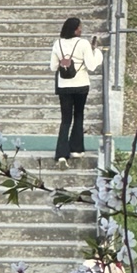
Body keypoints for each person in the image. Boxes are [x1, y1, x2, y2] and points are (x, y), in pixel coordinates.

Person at [50, 16, 102, 167]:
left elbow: (53, 67)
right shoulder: (83, 43)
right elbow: (92, 66)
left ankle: (61, 154)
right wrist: (96, 52)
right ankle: (77, 149)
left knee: (65, 119)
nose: (81, 29)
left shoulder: (57, 43)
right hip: (80, 85)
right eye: (79, 27)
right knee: (78, 115)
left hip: (63, 85)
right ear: (75, 29)